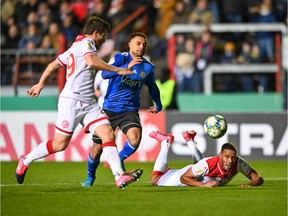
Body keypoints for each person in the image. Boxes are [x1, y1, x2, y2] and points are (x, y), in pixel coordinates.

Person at [15, 16, 143, 189]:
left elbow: (53, 65)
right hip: (72, 101)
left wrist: (40, 84)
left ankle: (119, 176)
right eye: (103, 35)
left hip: (89, 103)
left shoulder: (74, 48)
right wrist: (117, 70)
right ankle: (26, 159)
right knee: (60, 144)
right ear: (95, 33)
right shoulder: (87, 43)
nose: (104, 39)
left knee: (107, 134)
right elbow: (91, 61)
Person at [82, 32, 162, 187]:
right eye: (138, 43)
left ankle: (116, 160)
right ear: (130, 44)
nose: (141, 47)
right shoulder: (120, 58)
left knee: (135, 137)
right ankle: (90, 176)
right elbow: (105, 73)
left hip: (129, 110)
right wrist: (126, 67)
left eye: (144, 44)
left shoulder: (148, 67)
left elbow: (153, 87)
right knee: (96, 150)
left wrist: (158, 103)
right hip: (109, 109)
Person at [149, 130, 264, 187]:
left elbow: (258, 178)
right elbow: (184, 178)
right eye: (227, 157)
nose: (230, 161)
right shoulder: (209, 164)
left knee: (200, 166)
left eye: (233, 158)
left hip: (199, 171)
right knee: (155, 179)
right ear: (220, 156)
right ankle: (166, 142)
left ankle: (189, 140)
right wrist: (204, 186)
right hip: (189, 176)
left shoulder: (238, 163)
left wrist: (250, 184)